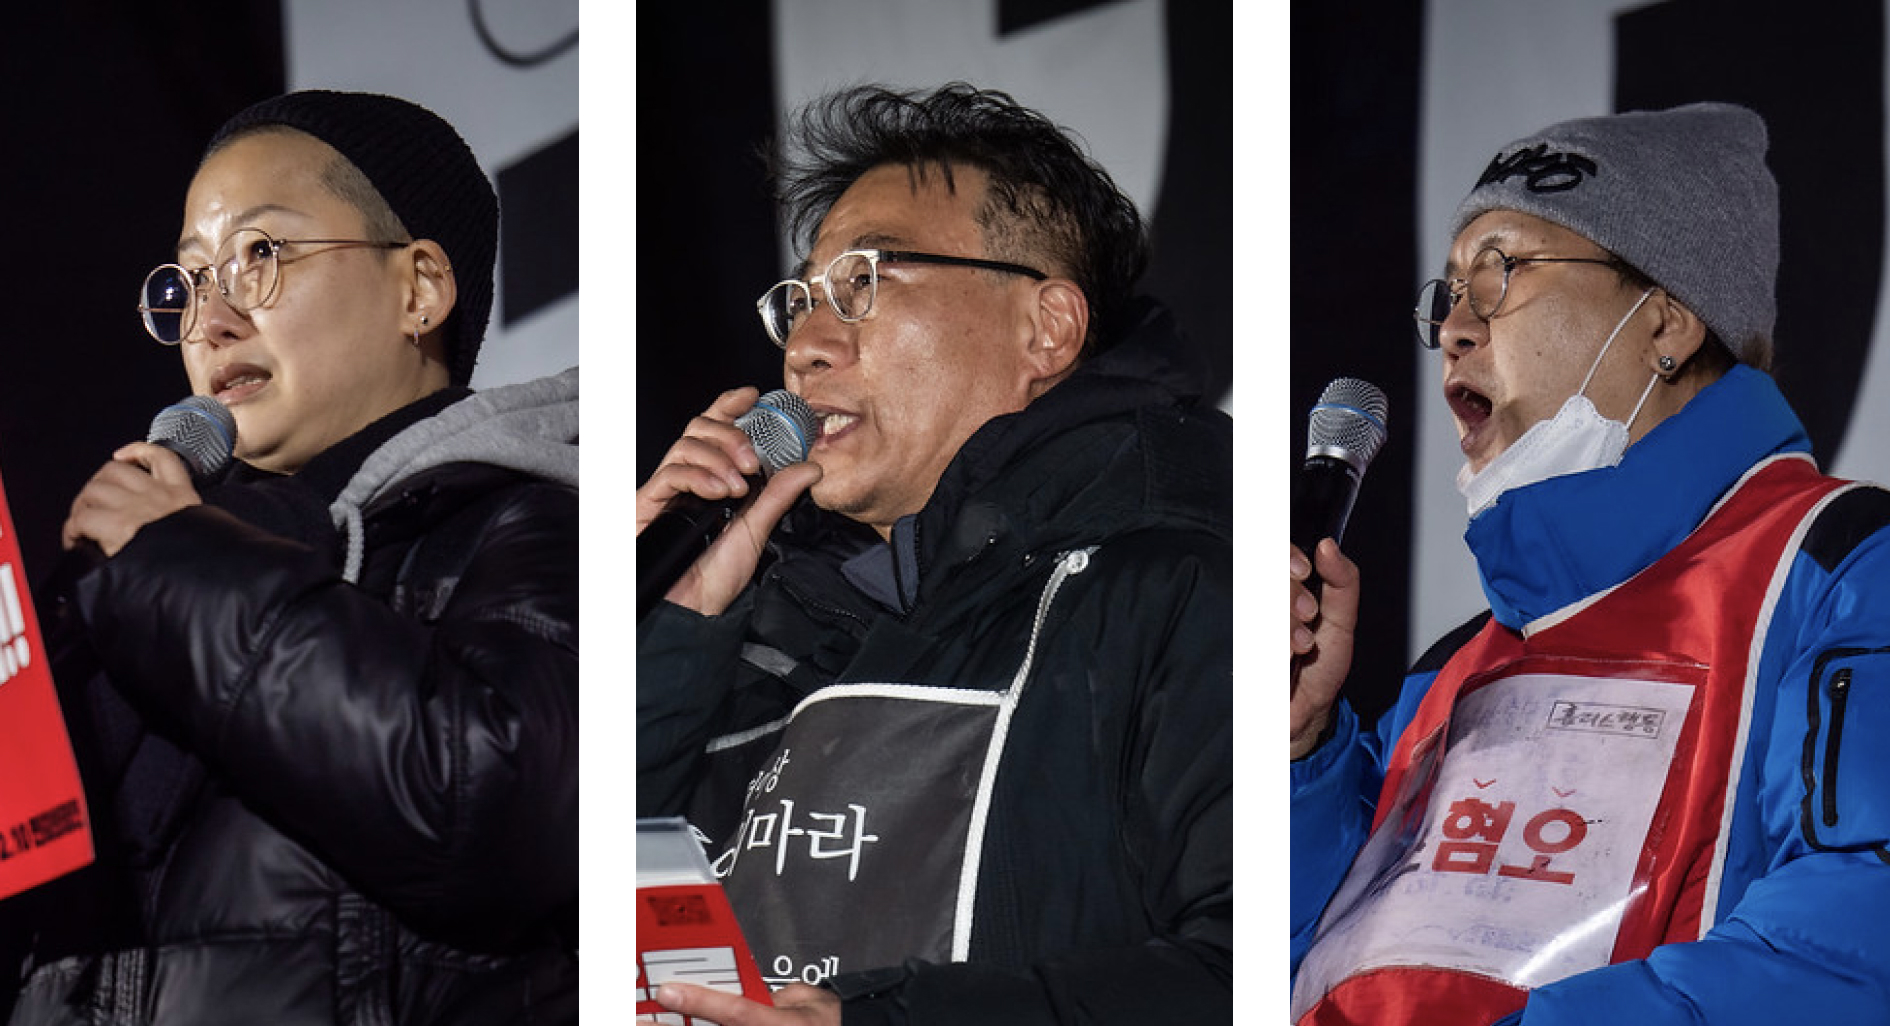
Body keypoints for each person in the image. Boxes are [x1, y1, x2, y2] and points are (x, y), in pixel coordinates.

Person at [636, 83, 1232, 1024]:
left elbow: (1241, 978)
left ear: (1047, 328)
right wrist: (671, 632)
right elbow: (581, 918)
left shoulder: (1179, 590)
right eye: (802, 300)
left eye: (864, 283)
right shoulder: (771, 629)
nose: (807, 347)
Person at [1289, 102, 1890, 1024]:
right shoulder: (1453, 670)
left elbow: (1852, 942)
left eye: (1500, 275)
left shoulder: (1845, 568)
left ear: (1666, 325)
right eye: (1447, 296)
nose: (1453, 329)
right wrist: (1301, 752)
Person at [0, 90, 578, 1024]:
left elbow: (494, 806)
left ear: (419, 288)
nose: (211, 320)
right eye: (190, 281)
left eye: (261, 254)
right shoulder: (151, 572)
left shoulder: (536, 517)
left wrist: (176, 562)